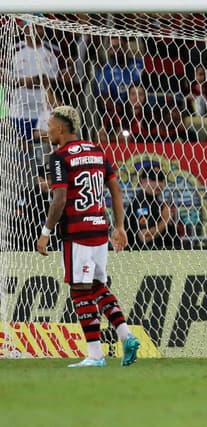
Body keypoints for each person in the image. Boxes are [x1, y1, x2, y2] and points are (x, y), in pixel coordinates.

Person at [36, 105, 140, 368]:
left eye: (49, 125)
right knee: (96, 286)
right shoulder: (97, 151)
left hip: (76, 231)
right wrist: (119, 226)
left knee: (80, 290)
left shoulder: (59, 157)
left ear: (60, 128)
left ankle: (95, 355)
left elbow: (59, 200)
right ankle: (126, 336)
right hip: (99, 228)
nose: (48, 130)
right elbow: (115, 189)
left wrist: (45, 232)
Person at [126, 166, 177, 250]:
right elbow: (145, 237)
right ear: (142, 181)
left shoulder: (157, 203)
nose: (158, 183)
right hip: (145, 256)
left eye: (160, 179)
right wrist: (165, 219)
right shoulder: (141, 202)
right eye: (153, 179)